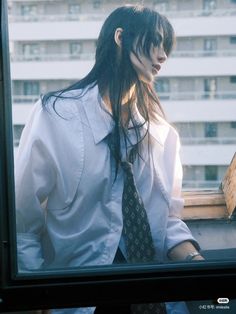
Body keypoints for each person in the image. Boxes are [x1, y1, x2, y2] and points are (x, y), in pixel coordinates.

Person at [15, 4, 204, 314]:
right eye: (155, 41)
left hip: (154, 297)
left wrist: (199, 267)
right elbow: (23, 220)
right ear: (120, 37)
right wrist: (38, 298)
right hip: (79, 298)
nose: (163, 56)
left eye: (166, 48)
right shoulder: (57, 114)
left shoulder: (161, 133)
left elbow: (168, 220)